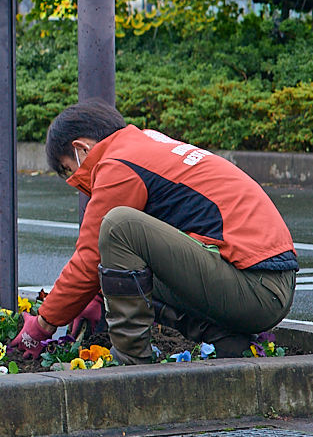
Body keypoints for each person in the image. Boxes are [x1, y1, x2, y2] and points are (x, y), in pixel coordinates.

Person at [17, 101, 298, 362]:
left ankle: (132, 359)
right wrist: (97, 296)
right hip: (264, 285)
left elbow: (89, 257)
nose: (75, 181)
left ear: (81, 149)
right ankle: (230, 344)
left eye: (69, 170)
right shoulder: (145, 143)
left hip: (255, 288)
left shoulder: (118, 165)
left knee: (118, 227)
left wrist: (42, 325)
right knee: (132, 268)